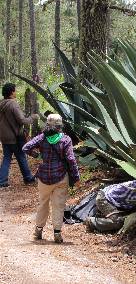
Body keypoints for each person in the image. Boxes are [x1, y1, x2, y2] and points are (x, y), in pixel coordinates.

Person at [22, 113, 80, 243]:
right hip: (60, 177)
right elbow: (71, 160)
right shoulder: (65, 139)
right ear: (60, 126)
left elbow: (26, 147)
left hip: (43, 178)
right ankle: (57, 234)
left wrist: (37, 155)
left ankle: (38, 231)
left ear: (47, 125)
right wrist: (76, 178)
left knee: (43, 203)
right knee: (58, 205)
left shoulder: (42, 138)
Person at [0, 83, 38, 188]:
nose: (15, 92)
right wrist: (33, 117)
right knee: (21, 156)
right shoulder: (13, 104)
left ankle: (2, 181)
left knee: (7, 158)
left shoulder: (1, 104)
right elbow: (22, 120)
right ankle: (28, 178)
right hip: (15, 137)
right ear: (12, 92)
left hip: (4, 137)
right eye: (15, 90)